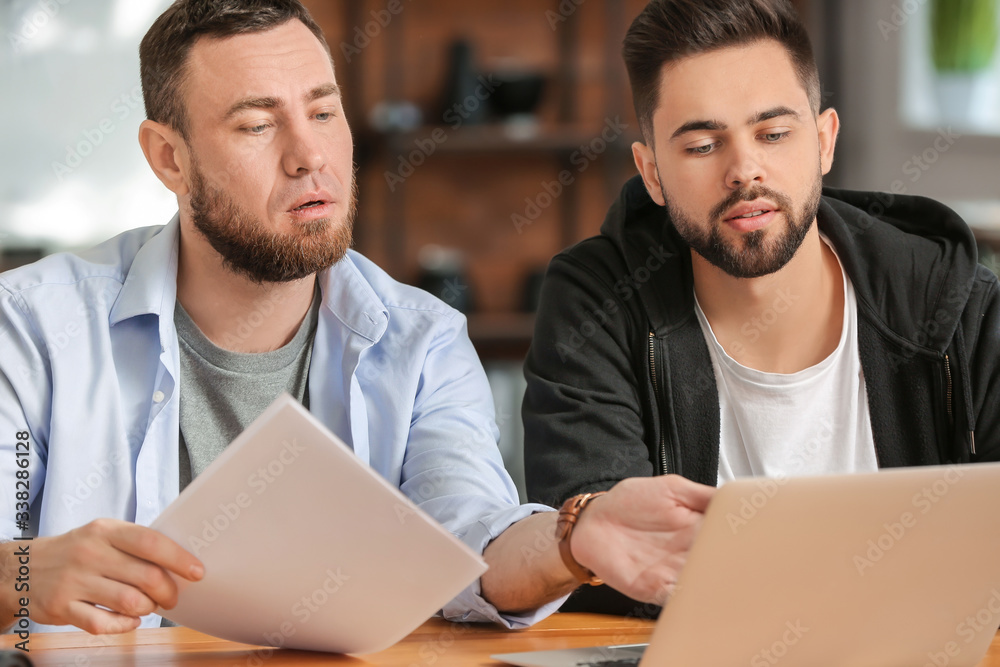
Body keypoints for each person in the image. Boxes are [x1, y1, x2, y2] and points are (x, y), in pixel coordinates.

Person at [0, 0, 715, 636]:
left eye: (322, 111)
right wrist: (25, 573)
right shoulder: (34, 323)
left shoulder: (423, 339)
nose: (309, 156)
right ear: (168, 157)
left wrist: (574, 537)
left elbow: (467, 537)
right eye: (255, 125)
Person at [523, 0, 1000, 615]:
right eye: (700, 146)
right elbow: (601, 570)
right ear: (652, 174)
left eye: (774, 134)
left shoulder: (950, 302)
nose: (745, 170)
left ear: (824, 141)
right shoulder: (598, 305)